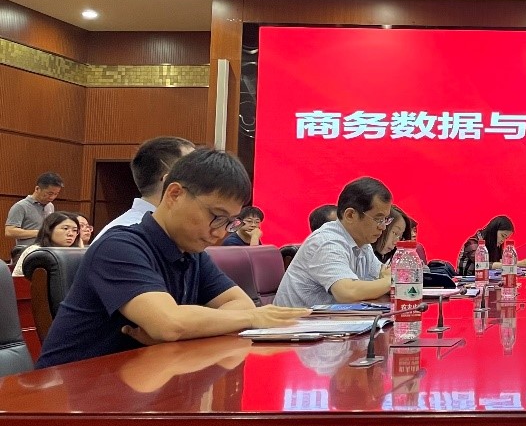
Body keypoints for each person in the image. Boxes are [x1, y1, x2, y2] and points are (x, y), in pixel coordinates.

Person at [35, 149, 309, 368]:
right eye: (216, 216)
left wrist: (187, 326)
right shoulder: (119, 246)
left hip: (141, 382)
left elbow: (239, 303)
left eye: (229, 222)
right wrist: (251, 317)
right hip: (71, 396)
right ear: (174, 194)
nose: (219, 232)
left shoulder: (193, 252)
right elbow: (169, 323)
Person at [274, 177, 393, 308]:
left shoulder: (362, 244)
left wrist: (388, 279)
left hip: (329, 318)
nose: (383, 227)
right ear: (350, 215)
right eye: (378, 219)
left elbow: (384, 272)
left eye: (385, 220)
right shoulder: (327, 242)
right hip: (296, 320)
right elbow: (347, 292)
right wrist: (392, 281)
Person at [93, 136, 196, 244]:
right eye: (195, 171)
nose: (203, 179)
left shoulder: (167, 231)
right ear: (169, 181)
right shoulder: (128, 237)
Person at [12, 212, 82, 277]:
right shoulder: (35, 251)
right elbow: (19, 281)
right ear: (49, 229)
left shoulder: (73, 253)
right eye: (65, 228)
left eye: (75, 230)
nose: (71, 234)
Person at [5, 172, 64, 245]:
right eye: (50, 193)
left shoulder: (50, 206)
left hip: (46, 249)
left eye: (56, 194)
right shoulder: (21, 206)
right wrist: (39, 232)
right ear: (37, 189)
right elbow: (9, 232)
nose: (52, 197)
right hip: (27, 250)